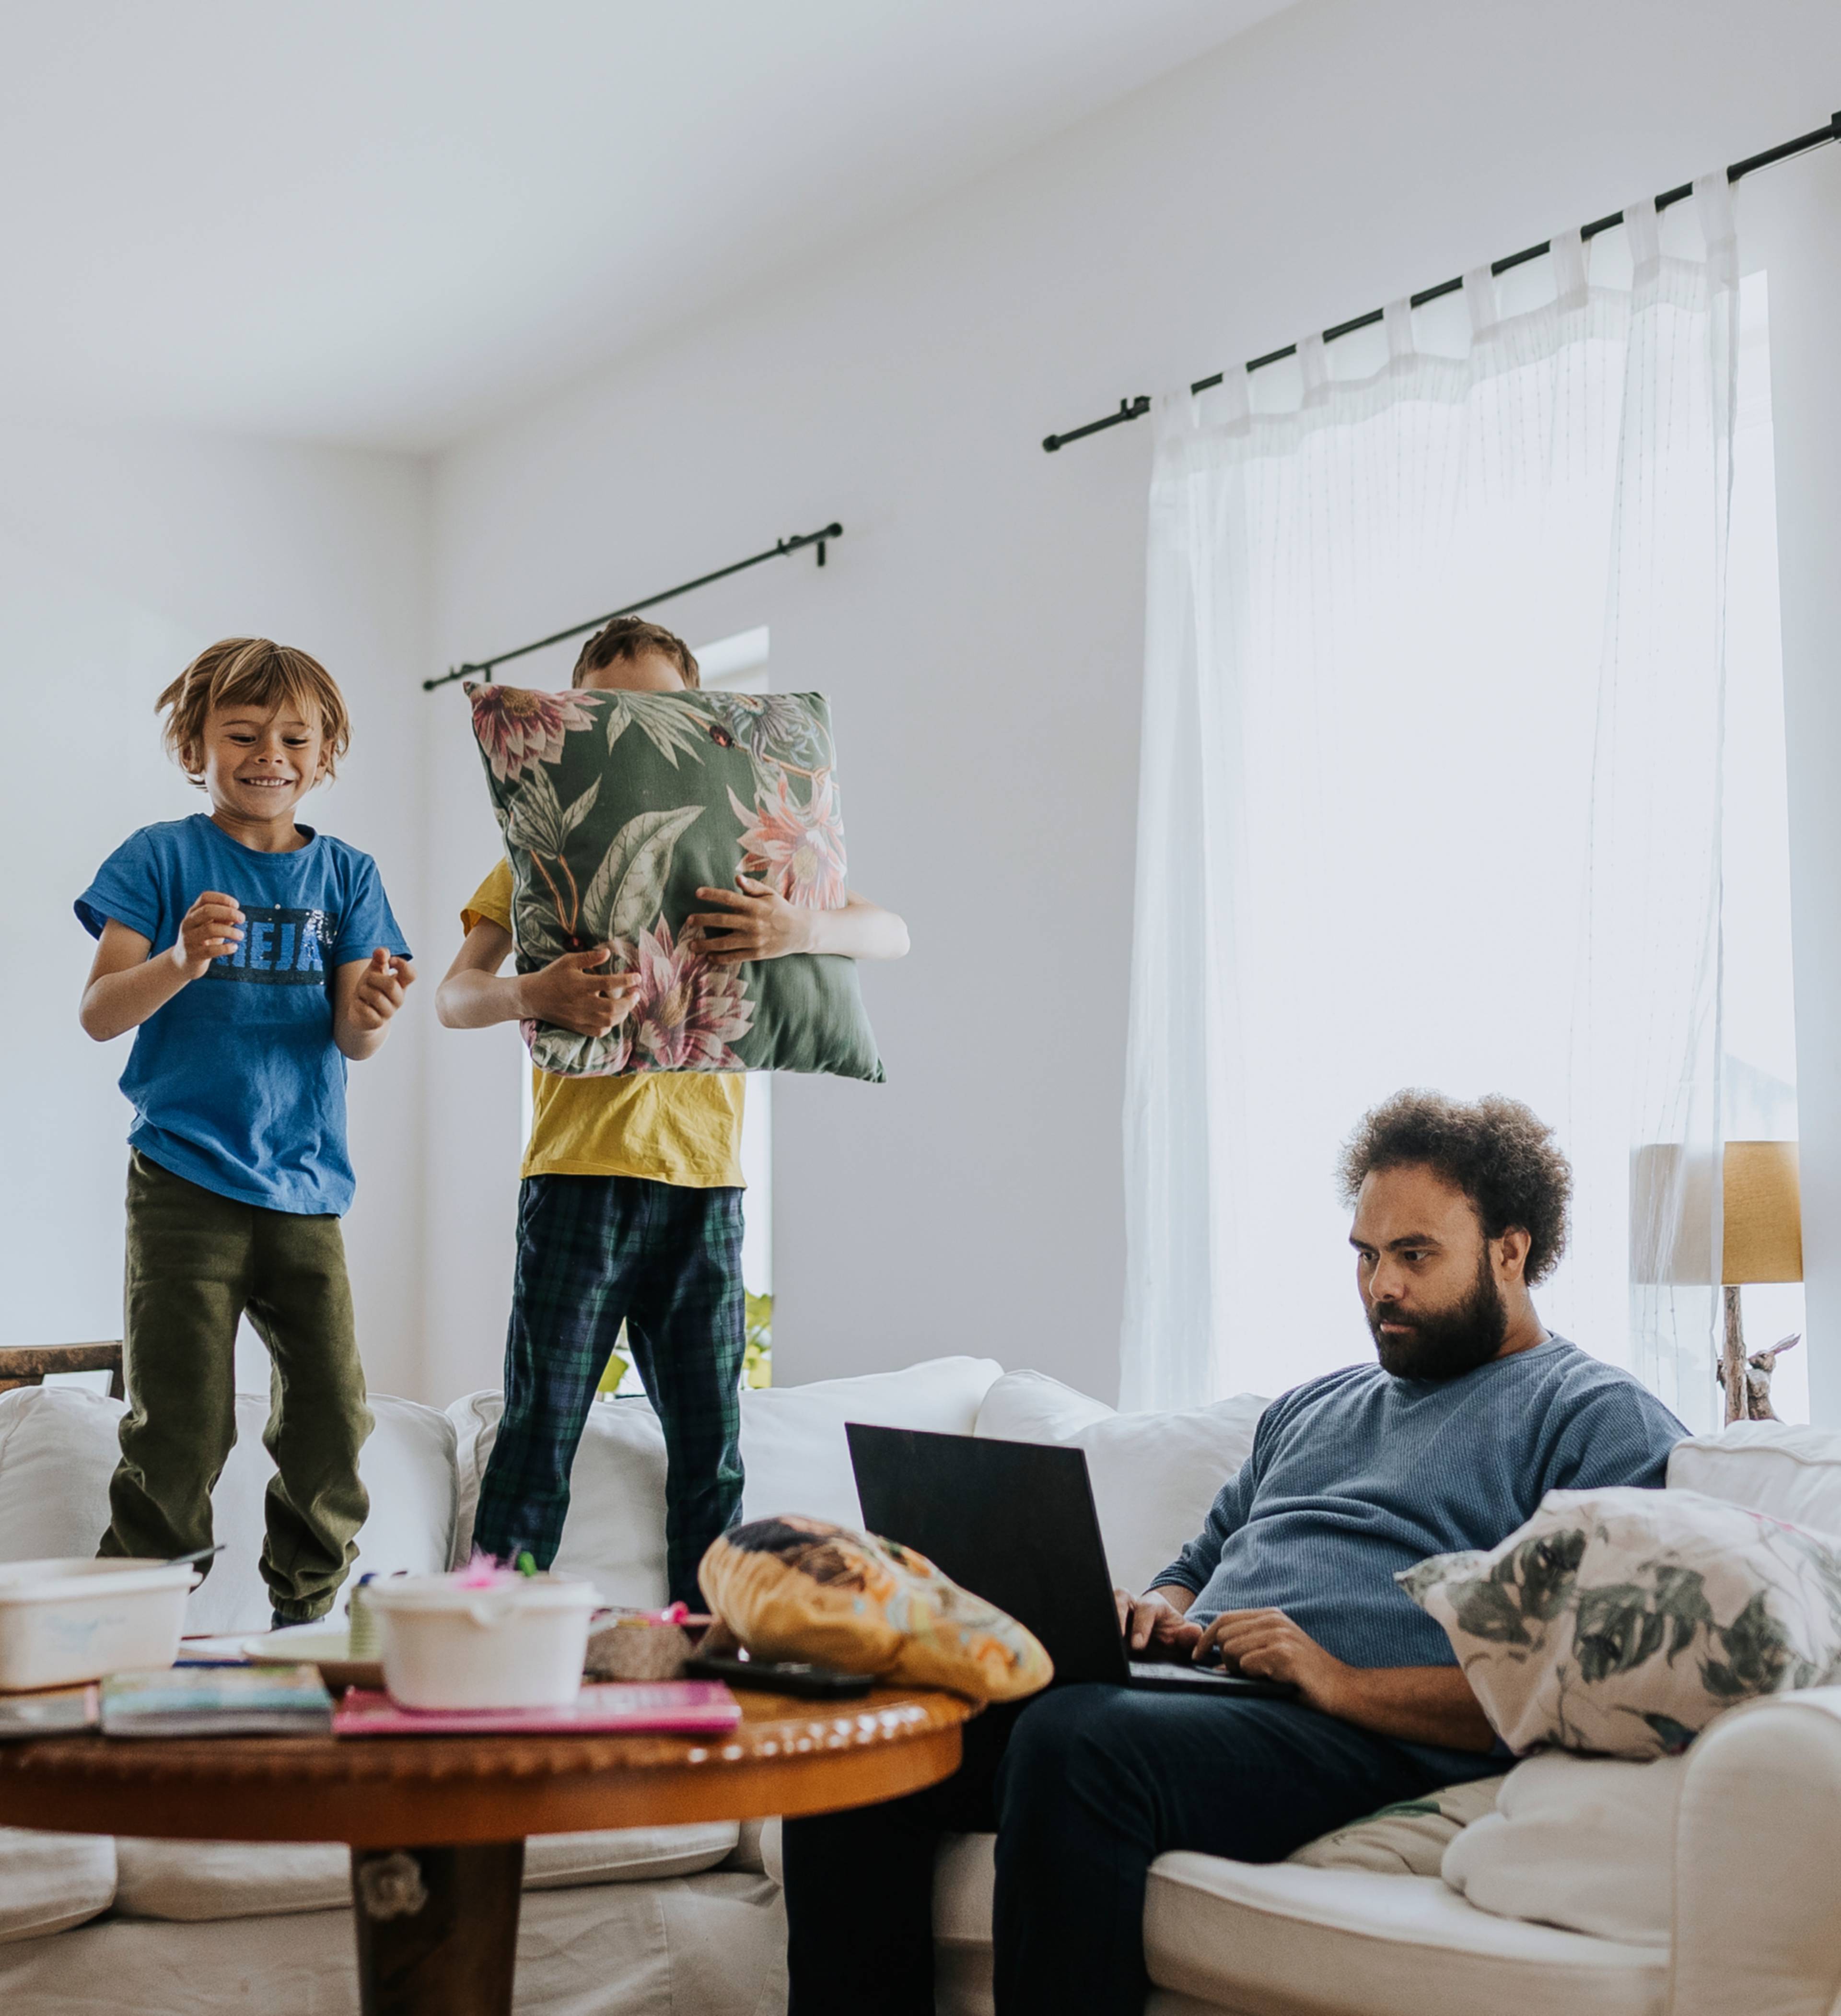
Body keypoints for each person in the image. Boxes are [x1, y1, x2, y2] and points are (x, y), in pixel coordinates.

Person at [781, 1089, 1687, 2016]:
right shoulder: (1313, 1406)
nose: (1382, 1286)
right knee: (868, 1730)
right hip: (1205, 1692)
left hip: (1363, 1733)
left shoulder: (1593, 1416)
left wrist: (1338, 1680)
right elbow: (1200, 1559)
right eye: (1366, 1256)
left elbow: (1582, 1681)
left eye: (1415, 1255)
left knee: (1079, 1739)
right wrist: (1157, 1612)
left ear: (1510, 1251)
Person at [436, 616, 908, 1606]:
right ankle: (491, 1631)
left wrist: (797, 927)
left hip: (706, 1191)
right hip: (576, 1180)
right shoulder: (541, 844)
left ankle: (707, 1643)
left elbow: (889, 932)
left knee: (712, 1453)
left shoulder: (741, 848)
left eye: (663, 710)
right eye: (615, 711)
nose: (641, 731)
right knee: (538, 1438)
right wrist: (535, 993)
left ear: (699, 715)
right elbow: (455, 996)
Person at [77, 638, 414, 1629]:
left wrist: (375, 1008)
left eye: (295, 738)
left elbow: (353, 1034)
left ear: (325, 754)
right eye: (242, 734)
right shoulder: (160, 857)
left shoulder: (348, 875)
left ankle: (304, 1620)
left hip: (306, 1186)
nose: (271, 754)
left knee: (332, 1419)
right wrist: (180, 959)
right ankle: (127, 1630)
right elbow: (99, 1011)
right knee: (180, 1427)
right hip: (183, 1180)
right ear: (196, 745)